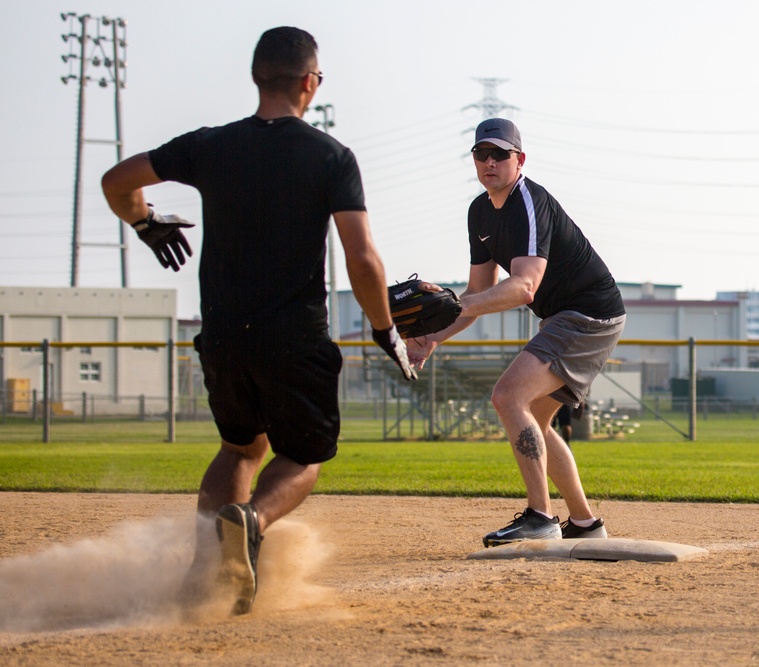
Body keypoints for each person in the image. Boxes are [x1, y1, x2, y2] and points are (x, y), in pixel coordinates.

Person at [101, 26, 414, 615]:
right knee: (303, 457)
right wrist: (383, 329)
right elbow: (363, 257)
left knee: (240, 449)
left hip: (221, 334)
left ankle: (204, 575)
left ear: (255, 77)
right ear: (309, 83)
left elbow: (117, 183)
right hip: (293, 337)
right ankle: (251, 521)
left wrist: (146, 224)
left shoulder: (209, 146)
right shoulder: (329, 156)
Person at [407, 118, 626, 547]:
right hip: (564, 317)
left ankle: (541, 516)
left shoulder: (529, 200)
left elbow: (525, 286)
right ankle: (584, 523)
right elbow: (477, 294)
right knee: (536, 423)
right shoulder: (479, 212)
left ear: (519, 159)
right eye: (481, 154)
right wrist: (433, 335)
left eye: (500, 154)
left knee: (508, 396)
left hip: (587, 313)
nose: (489, 162)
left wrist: (457, 306)